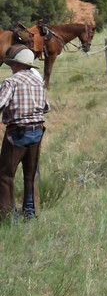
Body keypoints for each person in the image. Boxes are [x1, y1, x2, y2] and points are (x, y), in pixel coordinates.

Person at [0, 47, 50, 221]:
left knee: (6, 175)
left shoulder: (11, 82)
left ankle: (8, 216)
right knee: (31, 173)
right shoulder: (38, 82)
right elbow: (46, 107)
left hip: (17, 132)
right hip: (37, 130)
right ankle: (31, 212)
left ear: (16, 64)